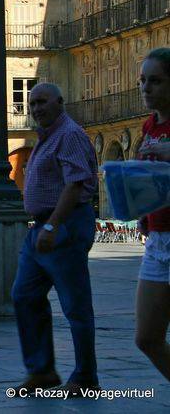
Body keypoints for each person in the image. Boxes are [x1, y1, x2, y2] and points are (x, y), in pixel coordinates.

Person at [11, 82, 99, 397]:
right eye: (31, 104)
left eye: (42, 102)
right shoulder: (47, 138)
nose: (36, 109)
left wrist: (53, 226)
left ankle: (86, 376)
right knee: (24, 294)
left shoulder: (70, 135)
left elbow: (75, 185)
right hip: (40, 228)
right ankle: (43, 370)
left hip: (64, 224)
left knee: (75, 305)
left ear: (60, 102)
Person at [134, 47, 170, 381]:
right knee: (146, 337)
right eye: (143, 81)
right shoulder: (149, 126)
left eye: (155, 81)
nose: (146, 88)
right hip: (159, 238)